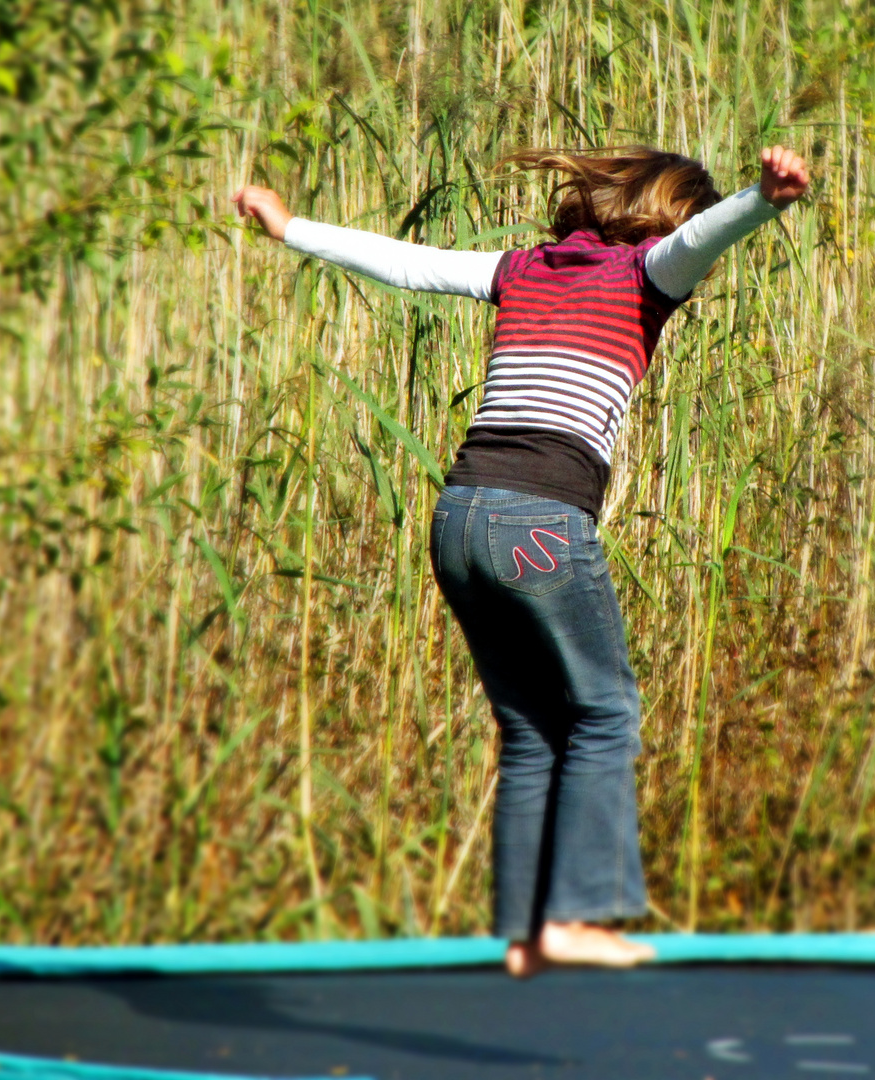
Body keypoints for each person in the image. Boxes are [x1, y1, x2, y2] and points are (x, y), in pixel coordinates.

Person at [234, 144, 810, 977]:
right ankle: (575, 917)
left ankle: (525, 933)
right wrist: (764, 198)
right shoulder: (649, 274)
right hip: (538, 522)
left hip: (458, 518)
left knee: (533, 729)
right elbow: (697, 247)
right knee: (605, 712)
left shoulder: (523, 268)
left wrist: (292, 230)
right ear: (668, 216)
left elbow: (407, 264)